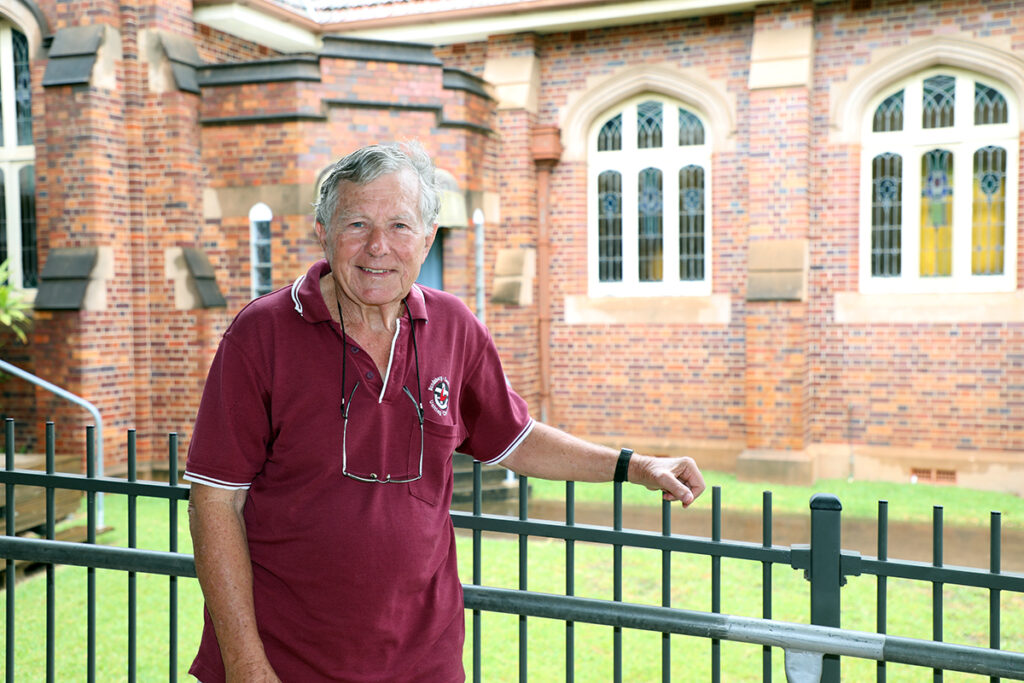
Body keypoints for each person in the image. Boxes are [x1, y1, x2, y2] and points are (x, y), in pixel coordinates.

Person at [184, 141, 706, 683]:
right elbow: (214, 502)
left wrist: (637, 466)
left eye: (401, 226)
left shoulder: (455, 328)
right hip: (288, 662)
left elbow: (515, 438)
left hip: (423, 660)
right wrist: (246, 665)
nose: (378, 247)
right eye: (357, 224)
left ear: (428, 236)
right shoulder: (261, 335)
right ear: (323, 231)